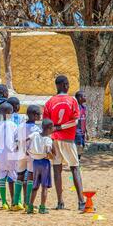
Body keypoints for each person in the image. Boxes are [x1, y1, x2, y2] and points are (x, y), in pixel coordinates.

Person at [43, 75, 85, 211]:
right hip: (67, 138)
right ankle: (81, 201)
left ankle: (60, 202)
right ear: (65, 85)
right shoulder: (72, 101)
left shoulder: (49, 102)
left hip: (54, 139)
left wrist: (49, 139)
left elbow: (46, 124)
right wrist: (60, 127)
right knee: (75, 168)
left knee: (57, 169)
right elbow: (75, 121)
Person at [14, 105, 42, 209]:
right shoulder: (36, 129)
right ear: (35, 116)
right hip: (31, 155)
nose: (40, 116)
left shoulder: (20, 126)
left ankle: (15, 203)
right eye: (39, 114)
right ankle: (27, 202)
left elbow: (15, 139)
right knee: (30, 176)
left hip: (20, 153)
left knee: (20, 175)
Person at [0, 102, 19, 210]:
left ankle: (4, 202)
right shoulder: (13, 125)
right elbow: (17, 141)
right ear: (10, 113)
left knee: (2, 175)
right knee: (14, 176)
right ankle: (16, 201)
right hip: (12, 153)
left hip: (0, 154)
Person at [26, 119, 54, 214]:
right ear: (50, 128)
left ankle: (30, 206)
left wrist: (27, 149)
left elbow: (27, 139)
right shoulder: (48, 139)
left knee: (35, 185)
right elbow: (49, 151)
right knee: (44, 186)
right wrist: (51, 157)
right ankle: (42, 207)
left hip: (35, 162)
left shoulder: (35, 134)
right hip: (44, 163)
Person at [74, 91, 88, 160]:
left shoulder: (83, 107)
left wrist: (86, 132)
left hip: (82, 132)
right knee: (78, 147)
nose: (86, 97)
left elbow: (83, 120)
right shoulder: (76, 108)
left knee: (82, 147)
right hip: (77, 133)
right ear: (80, 98)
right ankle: (76, 163)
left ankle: (78, 161)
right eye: (84, 96)